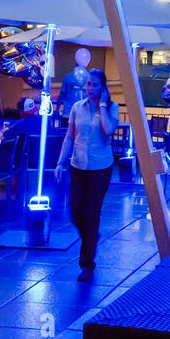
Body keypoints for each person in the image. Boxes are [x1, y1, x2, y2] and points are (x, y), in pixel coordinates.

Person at [55, 68, 119, 281]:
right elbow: (69, 137)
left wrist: (102, 105)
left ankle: (87, 264)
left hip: (101, 167)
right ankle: (91, 237)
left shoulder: (112, 108)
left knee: (91, 214)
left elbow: (109, 130)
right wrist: (60, 162)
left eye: (95, 84)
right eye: (88, 84)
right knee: (75, 213)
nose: (90, 88)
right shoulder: (76, 107)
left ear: (103, 87)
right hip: (78, 165)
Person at [57, 47, 92, 119]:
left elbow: (62, 95)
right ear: (88, 61)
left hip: (68, 114)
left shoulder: (68, 77)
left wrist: (57, 109)